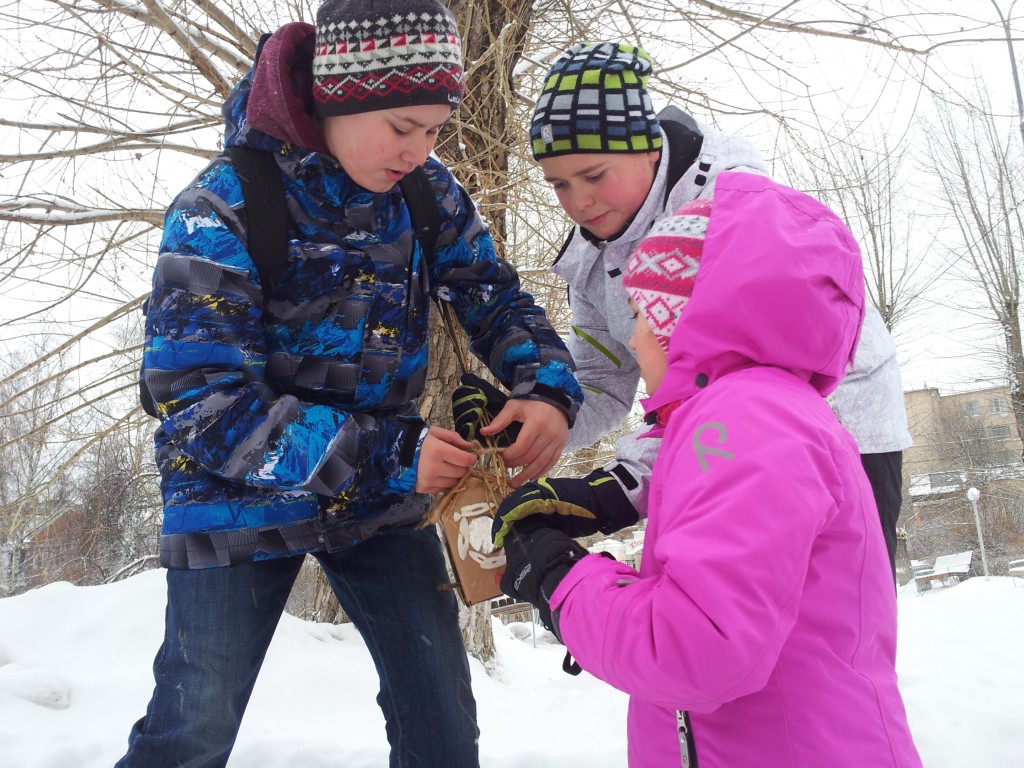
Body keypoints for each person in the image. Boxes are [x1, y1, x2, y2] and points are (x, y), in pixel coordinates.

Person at [119, 1, 582, 766]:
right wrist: (390, 455)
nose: (420, 150)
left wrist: (548, 390)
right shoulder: (219, 207)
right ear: (341, 96)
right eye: (403, 127)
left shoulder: (426, 195)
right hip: (235, 496)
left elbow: (492, 295)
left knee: (442, 727)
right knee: (191, 727)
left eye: (435, 129)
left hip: (376, 499)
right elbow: (202, 406)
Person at [499, 172, 923, 767]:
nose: (636, 340)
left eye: (642, 317)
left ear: (681, 324)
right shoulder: (753, 415)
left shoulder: (747, 420)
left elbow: (696, 648)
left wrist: (562, 584)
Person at [480, 42, 912, 582]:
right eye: (559, 185)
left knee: (825, 621)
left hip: (839, 431)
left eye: (594, 176)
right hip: (719, 449)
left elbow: (731, 395)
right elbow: (603, 379)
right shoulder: (593, 258)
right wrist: (543, 413)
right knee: (727, 624)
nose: (578, 203)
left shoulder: (732, 218)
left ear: (649, 149)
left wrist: (624, 484)